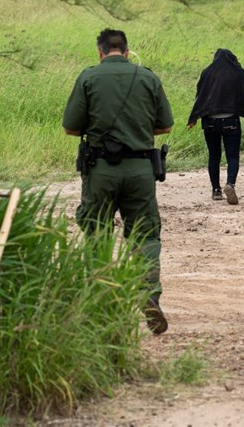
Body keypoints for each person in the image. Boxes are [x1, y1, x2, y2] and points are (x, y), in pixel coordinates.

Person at [63, 28, 174, 335]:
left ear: (100, 52)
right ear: (127, 51)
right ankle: (149, 296)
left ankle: (100, 303)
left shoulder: (88, 78)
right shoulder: (148, 78)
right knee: (145, 235)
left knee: (97, 233)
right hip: (140, 170)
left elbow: (71, 128)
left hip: (100, 171)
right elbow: (165, 126)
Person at [186, 49, 244, 205]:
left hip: (210, 122)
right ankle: (230, 184)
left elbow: (200, 97)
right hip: (231, 121)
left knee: (214, 156)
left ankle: (216, 190)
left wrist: (193, 118)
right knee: (232, 156)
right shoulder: (238, 73)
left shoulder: (207, 72)